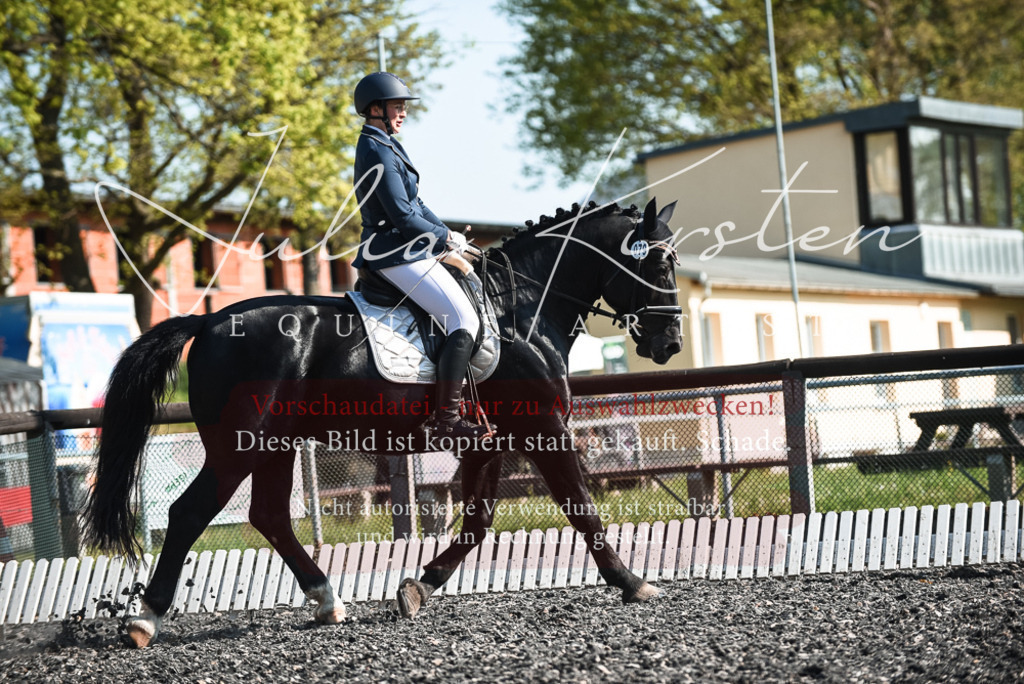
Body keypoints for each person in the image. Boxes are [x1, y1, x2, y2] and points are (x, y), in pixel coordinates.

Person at [351, 71, 492, 441]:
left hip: (406, 247)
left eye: (403, 107)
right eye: (397, 106)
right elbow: (401, 215)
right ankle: (446, 421)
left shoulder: (387, 143)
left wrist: (451, 234)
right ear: (375, 108)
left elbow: (417, 203)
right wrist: (444, 238)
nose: (403, 113)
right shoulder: (375, 147)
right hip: (392, 252)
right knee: (462, 318)